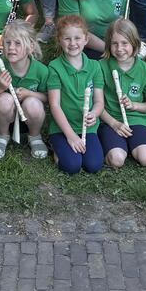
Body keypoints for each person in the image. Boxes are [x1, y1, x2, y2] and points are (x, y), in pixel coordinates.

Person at [0, 20, 49, 160]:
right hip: (2, 118)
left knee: (33, 103)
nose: (11, 48)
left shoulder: (41, 70)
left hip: (31, 120)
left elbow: (48, 98)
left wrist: (30, 94)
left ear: (30, 46)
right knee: (5, 99)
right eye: (8, 42)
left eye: (18, 43)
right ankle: (2, 136)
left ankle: (35, 136)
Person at [44, 15, 106, 174]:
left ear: (86, 39)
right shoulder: (55, 67)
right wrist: (71, 136)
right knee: (72, 166)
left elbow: (99, 101)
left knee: (93, 165)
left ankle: (71, 148)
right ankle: (55, 145)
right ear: (59, 40)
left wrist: (95, 113)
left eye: (77, 38)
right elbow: (55, 105)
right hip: (63, 128)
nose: (72, 43)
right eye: (67, 39)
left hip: (87, 128)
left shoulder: (95, 66)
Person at [97, 18, 146, 168]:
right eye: (114, 44)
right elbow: (97, 105)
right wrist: (114, 124)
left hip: (137, 120)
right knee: (116, 160)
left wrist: (134, 105)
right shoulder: (101, 67)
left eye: (125, 43)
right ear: (108, 45)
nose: (119, 48)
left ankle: (141, 146)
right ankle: (117, 147)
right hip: (110, 121)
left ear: (134, 43)